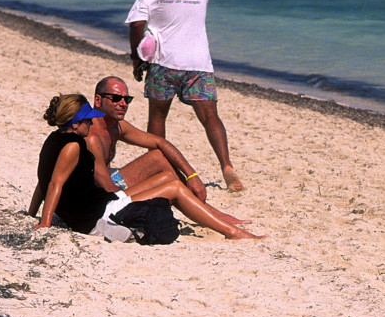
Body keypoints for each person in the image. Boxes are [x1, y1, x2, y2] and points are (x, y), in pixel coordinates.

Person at [29, 94, 262, 241]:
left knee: (169, 180)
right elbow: (54, 184)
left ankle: (215, 218)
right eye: (88, 120)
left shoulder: (54, 139)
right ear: (75, 123)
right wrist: (45, 223)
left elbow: (43, 180)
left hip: (101, 203)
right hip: (99, 214)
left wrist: (31, 213)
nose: (91, 122)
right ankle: (232, 232)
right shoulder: (74, 146)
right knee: (175, 189)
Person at [126, 0, 245, 192]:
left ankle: (157, 165)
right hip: (199, 63)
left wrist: (137, 59)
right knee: (210, 116)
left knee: (158, 117)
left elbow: (137, 24)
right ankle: (226, 165)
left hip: (165, 62)